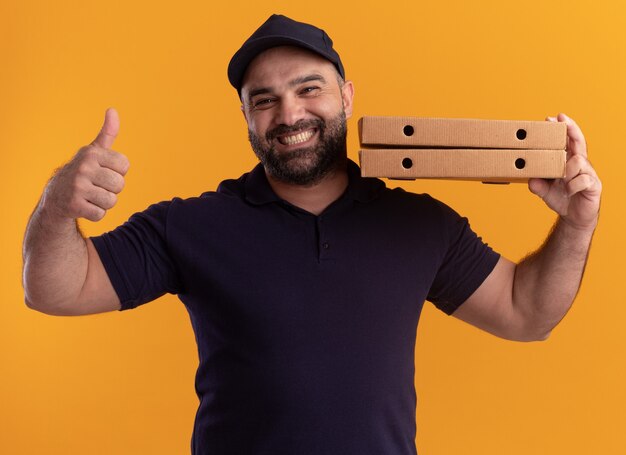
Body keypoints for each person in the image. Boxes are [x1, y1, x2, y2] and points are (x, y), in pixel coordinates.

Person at [22, 14, 601, 455]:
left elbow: (528, 314)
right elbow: (56, 290)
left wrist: (576, 222)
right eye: (264, 100)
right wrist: (57, 206)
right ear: (247, 117)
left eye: (309, 89)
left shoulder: (420, 222)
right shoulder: (192, 225)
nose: (289, 114)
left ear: (347, 96)